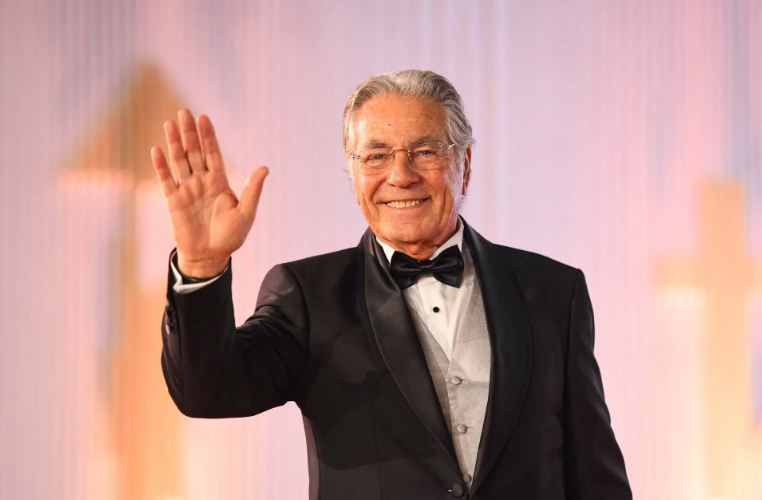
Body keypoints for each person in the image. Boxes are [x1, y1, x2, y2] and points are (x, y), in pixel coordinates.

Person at [152, 69, 632, 499]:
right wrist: (202, 266)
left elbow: (594, 472)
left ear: (465, 165)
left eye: (424, 152)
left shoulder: (553, 291)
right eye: (377, 156)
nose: (400, 176)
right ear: (354, 174)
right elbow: (207, 392)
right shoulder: (307, 295)